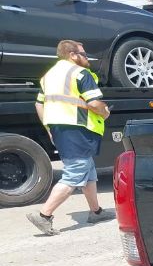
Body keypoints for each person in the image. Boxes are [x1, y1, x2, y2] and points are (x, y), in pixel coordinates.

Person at [26, 39, 114, 236]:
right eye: (83, 54)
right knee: (76, 171)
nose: (86, 58)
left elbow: (39, 104)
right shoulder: (80, 73)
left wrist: (49, 126)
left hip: (61, 128)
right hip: (77, 128)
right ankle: (44, 215)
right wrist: (105, 112)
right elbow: (94, 103)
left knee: (88, 169)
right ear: (72, 55)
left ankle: (96, 211)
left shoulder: (49, 76)